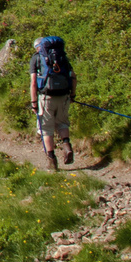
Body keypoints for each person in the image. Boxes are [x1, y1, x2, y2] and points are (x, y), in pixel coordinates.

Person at [28, 35, 77, 170]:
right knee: (62, 123)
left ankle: (52, 161)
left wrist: (33, 103)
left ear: (38, 47)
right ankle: (66, 145)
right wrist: (72, 95)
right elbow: (73, 77)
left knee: (46, 129)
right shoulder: (62, 57)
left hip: (46, 97)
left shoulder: (36, 58)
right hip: (64, 96)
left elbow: (33, 83)